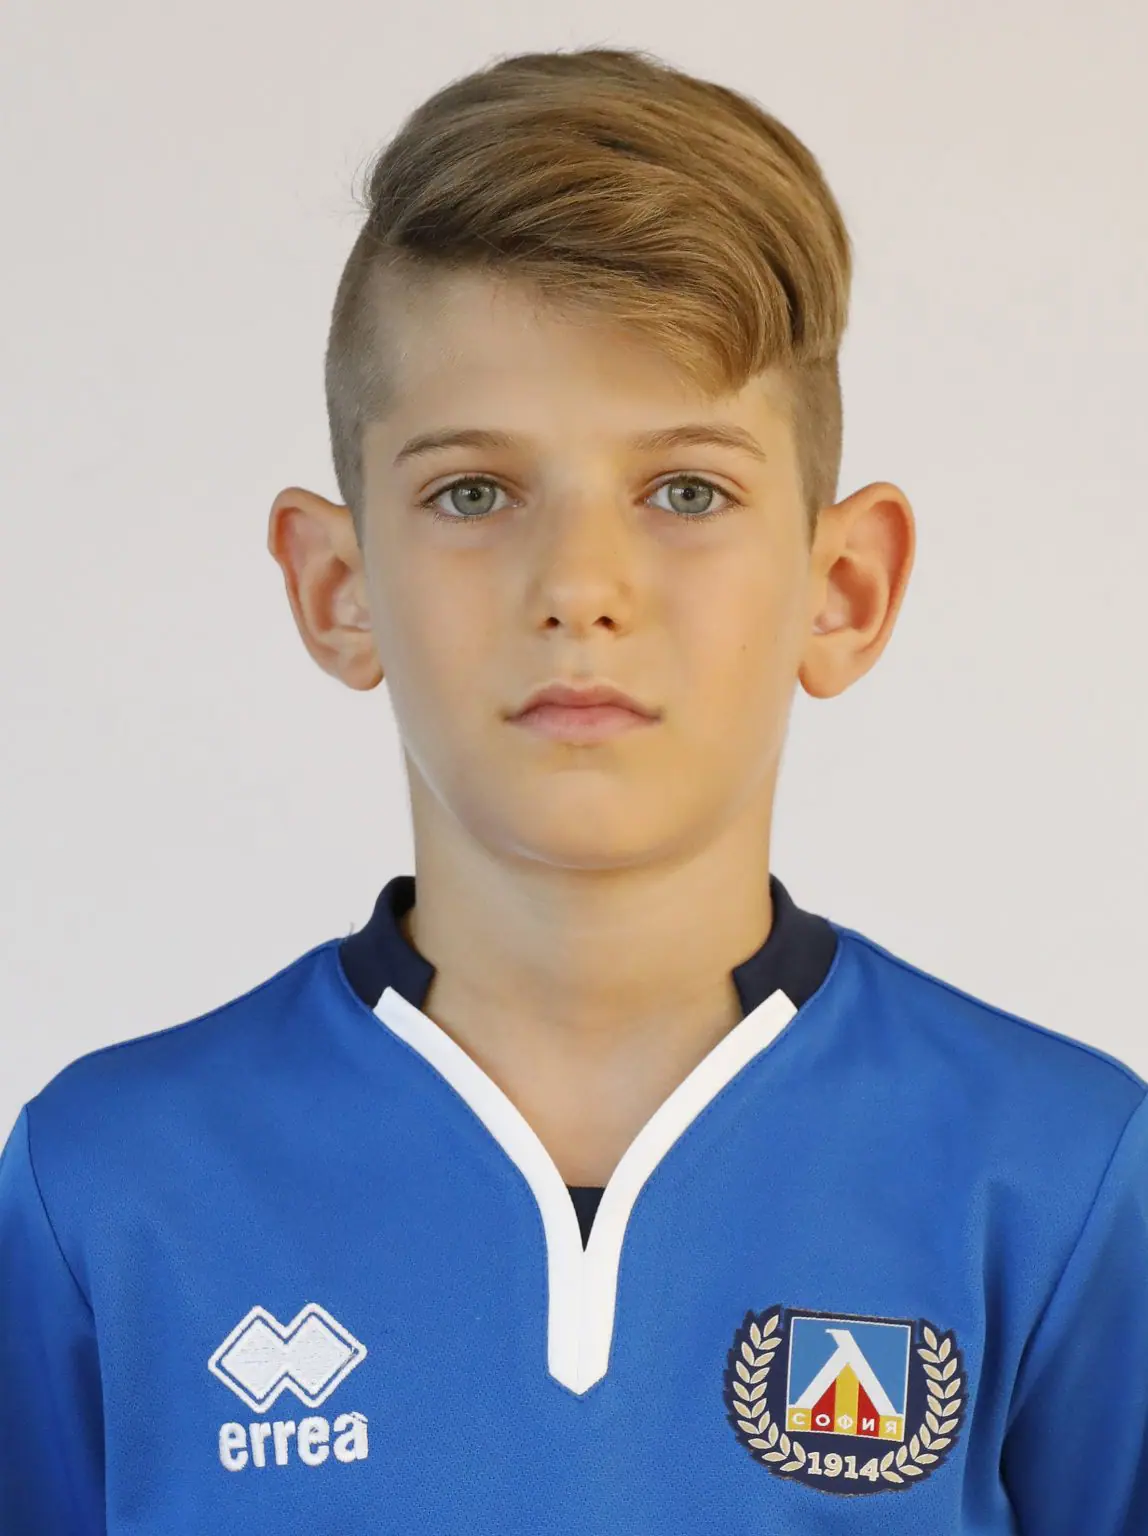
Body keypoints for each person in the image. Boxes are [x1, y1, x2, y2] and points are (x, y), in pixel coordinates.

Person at [1, 42, 1145, 1535]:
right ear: (338, 587)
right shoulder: (106, 1187)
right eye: (473, 492)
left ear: (844, 587)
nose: (580, 585)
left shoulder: (1063, 1176)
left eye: (688, 491)